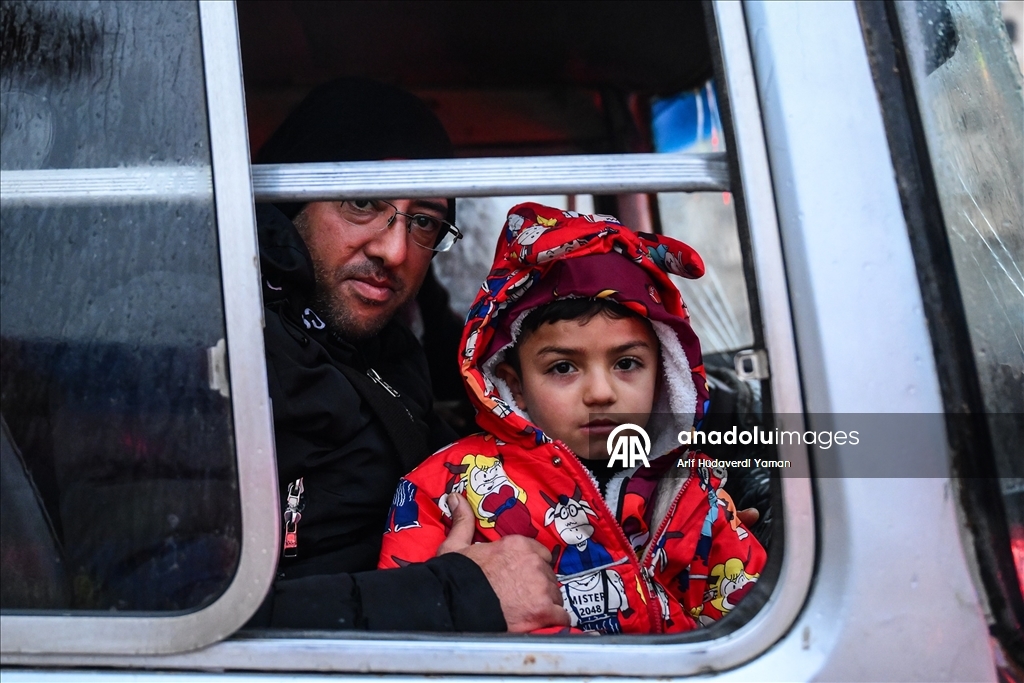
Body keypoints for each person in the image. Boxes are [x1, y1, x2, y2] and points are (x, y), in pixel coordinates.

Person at [248, 79, 568, 632]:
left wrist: (656, 516)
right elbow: (180, 615)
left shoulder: (388, 351)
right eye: (362, 202)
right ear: (291, 199)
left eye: (422, 221)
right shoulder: (210, 351)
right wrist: (460, 597)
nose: (393, 251)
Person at [378, 203, 766, 633]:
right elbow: (409, 639)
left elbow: (751, 631)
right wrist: (455, 596)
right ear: (515, 384)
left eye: (627, 364)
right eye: (563, 367)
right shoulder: (442, 490)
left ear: (665, 373)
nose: (601, 392)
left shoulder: (691, 491)